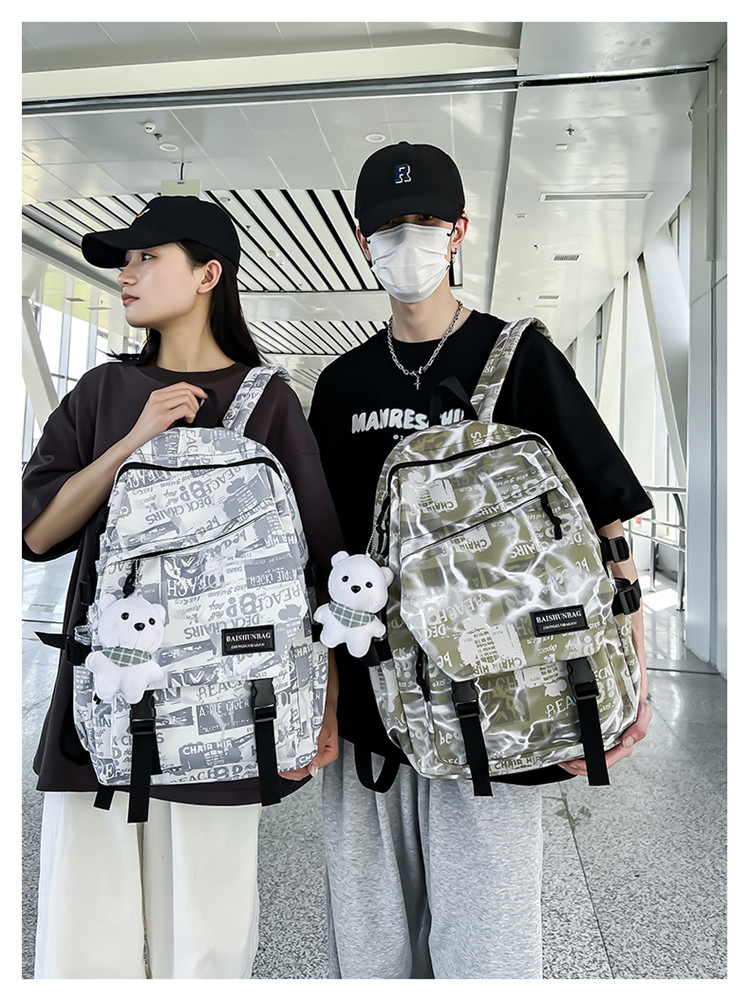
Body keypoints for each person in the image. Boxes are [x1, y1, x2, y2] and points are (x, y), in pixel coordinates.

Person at [308, 141, 654, 979]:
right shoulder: (343, 384)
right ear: (362, 241)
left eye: (424, 223)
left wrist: (630, 677)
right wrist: (320, 703)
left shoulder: (519, 357)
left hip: (495, 703)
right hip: (370, 714)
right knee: (372, 950)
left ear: (459, 230)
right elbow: (322, 556)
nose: (407, 243)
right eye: (387, 228)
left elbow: (605, 517)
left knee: (487, 952)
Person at [22, 195, 343, 979]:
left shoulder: (267, 400)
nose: (126, 275)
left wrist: (325, 705)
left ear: (207, 274)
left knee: (205, 943)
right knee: (83, 944)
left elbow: (320, 564)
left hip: (230, 711)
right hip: (104, 700)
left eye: (146, 257)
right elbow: (36, 532)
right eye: (124, 262)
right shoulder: (103, 391)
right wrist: (134, 441)